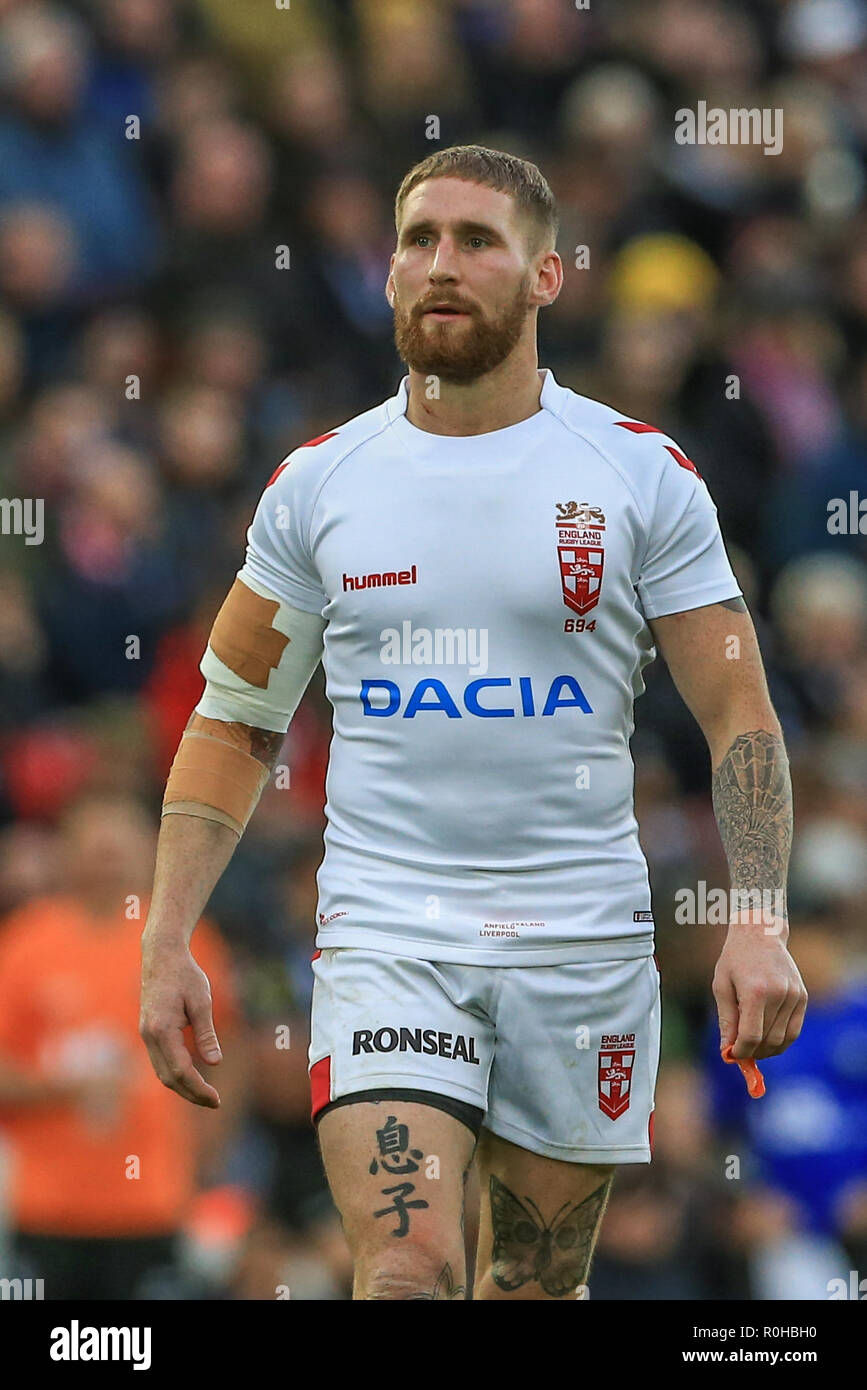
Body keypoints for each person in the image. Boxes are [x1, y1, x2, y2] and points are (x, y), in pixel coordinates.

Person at [140, 145, 807, 1301]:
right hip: (388, 936)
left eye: (477, 241)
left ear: (548, 276)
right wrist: (166, 938)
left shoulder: (642, 479)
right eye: (417, 239)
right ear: (390, 269)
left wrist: (756, 917)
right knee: (409, 1264)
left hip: (582, 945)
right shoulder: (319, 483)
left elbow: (738, 712)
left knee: (530, 1287)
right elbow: (237, 719)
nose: (441, 265)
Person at [0, 791, 241, 1299]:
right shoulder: (25, 942)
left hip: (153, 1201)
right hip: (47, 1206)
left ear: (150, 848)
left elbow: (228, 1055)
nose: (106, 858)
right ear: (64, 850)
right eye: (93, 844)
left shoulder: (186, 939)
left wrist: (210, 1152)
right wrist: (65, 1086)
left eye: (118, 844)